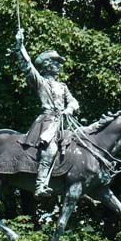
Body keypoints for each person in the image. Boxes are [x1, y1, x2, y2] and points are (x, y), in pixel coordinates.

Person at [15, 28, 79, 198]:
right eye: (56, 63)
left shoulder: (62, 86)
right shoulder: (41, 82)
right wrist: (20, 46)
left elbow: (73, 101)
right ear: (47, 65)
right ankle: (41, 184)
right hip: (48, 122)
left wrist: (69, 109)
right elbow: (27, 66)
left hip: (64, 121)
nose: (59, 66)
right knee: (50, 149)